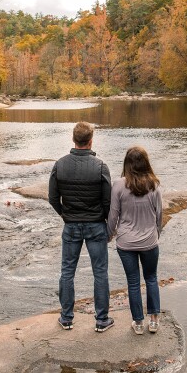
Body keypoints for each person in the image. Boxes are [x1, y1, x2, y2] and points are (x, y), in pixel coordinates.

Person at [49, 121, 114, 332]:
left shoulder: (59, 164)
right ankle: (102, 320)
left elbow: (52, 198)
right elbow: (108, 201)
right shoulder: (101, 166)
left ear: (74, 140)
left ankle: (66, 318)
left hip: (71, 225)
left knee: (67, 271)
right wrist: (104, 221)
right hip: (95, 225)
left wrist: (65, 215)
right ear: (91, 140)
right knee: (100, 272)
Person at [107, 146, 163, 335]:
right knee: (151, 278)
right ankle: (154, 321)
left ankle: (138, 323)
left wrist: (109, 235)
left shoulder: (118, 185)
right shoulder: (154, 184)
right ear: (146, 163)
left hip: (126, 243)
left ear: (127, 164)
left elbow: (113, 216)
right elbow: (159, 215)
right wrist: (156, 235)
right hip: (149, 241)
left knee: (133, 282)